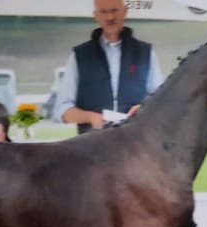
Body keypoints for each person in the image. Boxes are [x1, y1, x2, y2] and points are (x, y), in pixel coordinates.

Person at [54, 0, 163, 134]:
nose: (110, 17)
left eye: (114, 11)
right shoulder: (80, 56)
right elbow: (62, 109)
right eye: (104, 12)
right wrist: (90, 117)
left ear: (125, 12)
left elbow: (161, 101)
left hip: (135, 145)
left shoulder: (145, 53)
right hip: (92, 146)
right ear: (96, 15)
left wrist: (142, 109)